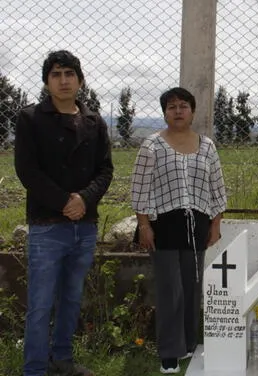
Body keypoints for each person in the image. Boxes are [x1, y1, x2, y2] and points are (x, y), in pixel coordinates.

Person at [14, 50, 113, 376]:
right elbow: (27, 171)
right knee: (41, 304)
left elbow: (105, 170)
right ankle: (35, 368)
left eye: (69, 73)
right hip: (47, 225)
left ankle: (63, 361)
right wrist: (63, 202)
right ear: (46, 82)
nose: (63, 80)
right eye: (56, 74)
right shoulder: (30, 119)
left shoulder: (95, 122)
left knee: (71, 299)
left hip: (84, 225)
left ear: (80, 80)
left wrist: (84, 199)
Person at [131, 87, 227, 374]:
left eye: (183, 106)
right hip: (163, 225)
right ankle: (169, 352)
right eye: (171, 107)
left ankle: (188, 344)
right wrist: (144, 225)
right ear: (164, 112)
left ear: (192, 111)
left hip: (197, 224)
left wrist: (216, 224)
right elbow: (140, 189)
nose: (178, 111)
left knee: (191, 286)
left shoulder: (207, 146)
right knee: (170, 289)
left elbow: (217, 187)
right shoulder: (152, 146)